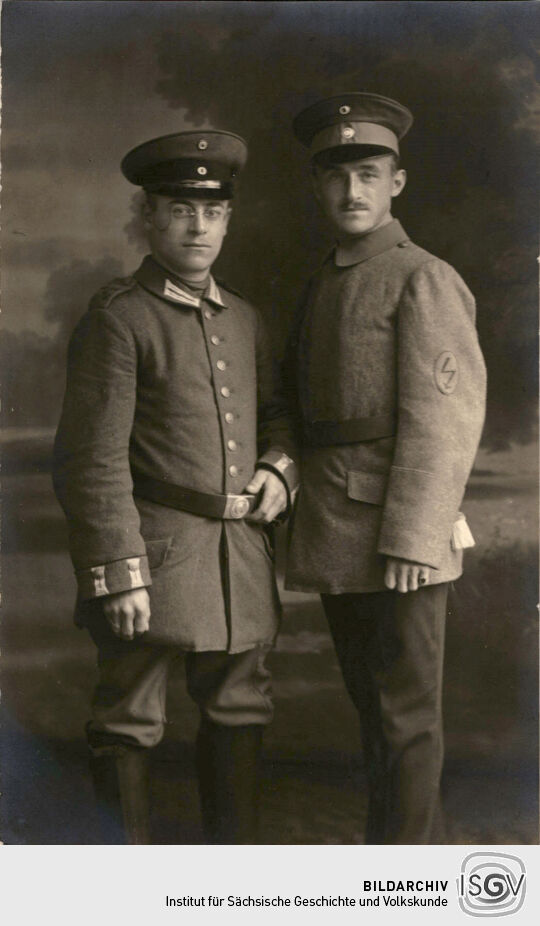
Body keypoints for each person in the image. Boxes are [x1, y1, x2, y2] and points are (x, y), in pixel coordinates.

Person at [53, 129, 298, 845]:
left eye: (213, 212)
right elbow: (90, 457)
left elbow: (278, 416)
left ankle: (230, 889)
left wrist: (281, 468)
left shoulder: (245, 318)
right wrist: (118, 574)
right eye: (181, 209)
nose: (199, 226)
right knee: (130, 714)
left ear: (228, 221)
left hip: (239, 558)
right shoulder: (121, 316)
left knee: (240, 707)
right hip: (153, 557)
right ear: (150, 218)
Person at [284, 93, 486, 844]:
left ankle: (406, 885)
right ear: (318, 186)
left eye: (368, 173)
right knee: (374, 712)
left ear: (397, 182)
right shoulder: (325, 281)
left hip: (400, 538)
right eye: (337, 177)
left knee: (405, 720)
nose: (352, 192)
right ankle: (400, 864)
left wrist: (414, 535)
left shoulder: (421, 277)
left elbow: (446, 420)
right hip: (340, 530)